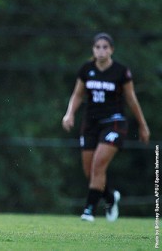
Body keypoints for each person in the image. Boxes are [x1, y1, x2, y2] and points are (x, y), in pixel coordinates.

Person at [62, 32, 150, 222]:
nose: (101, 51)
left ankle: (89, 210)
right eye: (97, 47)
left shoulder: (121, 71)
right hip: (90, 123)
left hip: (114, 123)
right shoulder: (86, 69)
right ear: (93, 49)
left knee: (98, 164)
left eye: (105, 47)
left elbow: (131, 99)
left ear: (111, 50)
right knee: (90, 171)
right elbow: (77, 95)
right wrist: (69, 114)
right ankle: (110, 198)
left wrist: (143, 125)